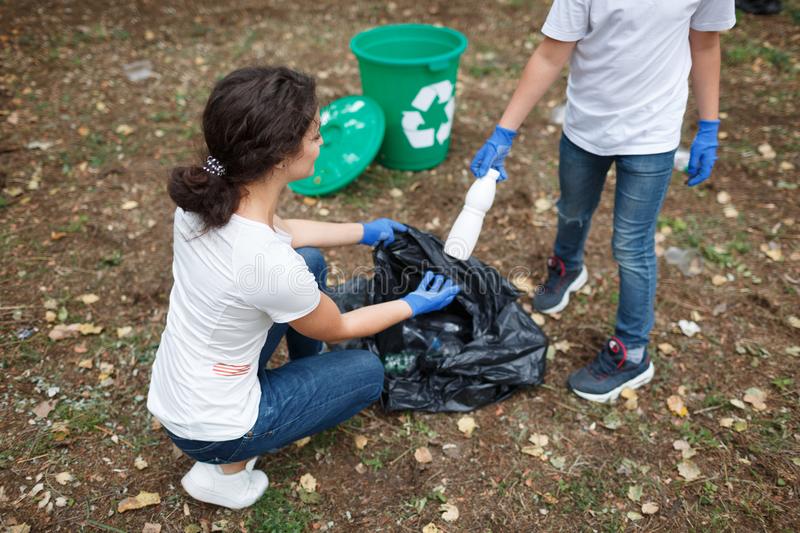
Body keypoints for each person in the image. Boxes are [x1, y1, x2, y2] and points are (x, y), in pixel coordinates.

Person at [147, 66, 460, 510]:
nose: (322, 142)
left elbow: (283, 230)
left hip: (181, 388)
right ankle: (225, 477)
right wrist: (413, 303)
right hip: (217, 430)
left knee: (308, 261)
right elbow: (338, 327)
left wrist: (364, 230)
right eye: (315, 135)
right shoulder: (269, 265)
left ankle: (298, 377)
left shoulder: (205, 204)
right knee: (367, 373)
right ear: (280, 155)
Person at [471, 1, 735, 403]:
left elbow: (704, 44)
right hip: (585, 126)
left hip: (652, 135)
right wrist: (503, 132)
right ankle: (567, 267)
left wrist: (710, 126)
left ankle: (632, 354)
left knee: (632, 245)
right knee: (573, 209)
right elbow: (549, 53)